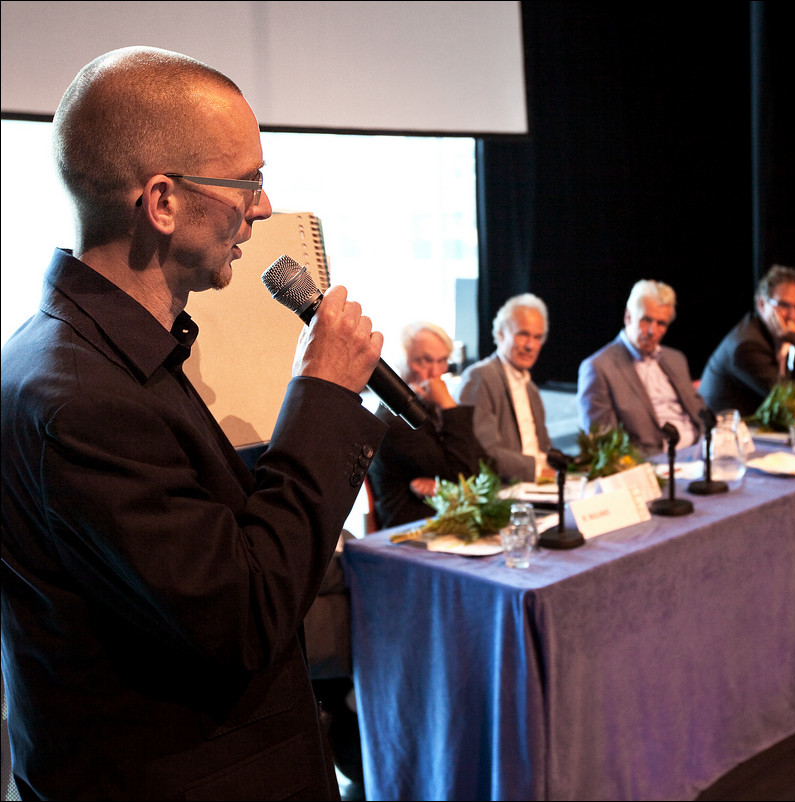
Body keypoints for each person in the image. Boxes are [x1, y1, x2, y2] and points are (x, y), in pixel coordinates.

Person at [0, 47, 389, 800]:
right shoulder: (82, 396)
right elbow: (246, 617)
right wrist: (324, 394)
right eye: (246, 181)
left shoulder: (87, 352)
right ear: (163, 202)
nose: (264, 207)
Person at [368, 321, 491, 527]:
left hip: (444, 523)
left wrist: (443, 486)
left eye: (442, 360)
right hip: (408, 532)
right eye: (425, 360)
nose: (435, 372)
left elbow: (486, 467)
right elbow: (464, 476)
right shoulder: (394, 418)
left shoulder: (429, 406)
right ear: (402, 360)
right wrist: (449, 406)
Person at [577, 280, 708, 455]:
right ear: (628, 317)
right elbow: (605, 446)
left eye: (661, 323)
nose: (653, 331)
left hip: (700, 451)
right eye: (646, 320)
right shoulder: (598, 368)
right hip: (653, 462)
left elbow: (700, 414)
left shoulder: (676, 359)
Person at [698, 265, 795, 417]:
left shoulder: (772, 336)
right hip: (729, 434)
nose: (792, 315)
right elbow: (793, 403)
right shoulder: (747, 346)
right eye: (783, 305)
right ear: (762, 304)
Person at [458, 293, 554, 482]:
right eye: (522, 334)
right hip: (503, 493)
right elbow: (484, 452)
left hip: (539, 486)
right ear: (500, 334)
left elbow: (544, 449)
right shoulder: (479, 377)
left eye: (537, 337)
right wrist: (539, 470)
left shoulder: (531, 389)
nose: (530, 345)